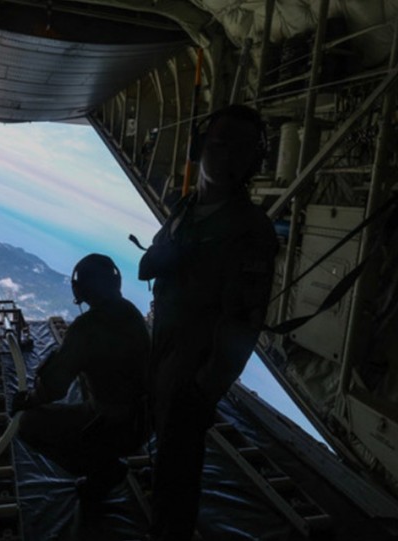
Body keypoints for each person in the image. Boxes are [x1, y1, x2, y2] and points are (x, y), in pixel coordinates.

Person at [138, 104, 278, 540]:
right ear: (200, 149)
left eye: (242, 150)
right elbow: (157, 260)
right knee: (165, 453)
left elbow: (244, 323)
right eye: (221, 145)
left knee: (178, 471)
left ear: (254, 163)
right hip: (164, 346)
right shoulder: (187, 207)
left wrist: (205, 388)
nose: (229, 157)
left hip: (192, 365)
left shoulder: (250, 230)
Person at [12, 253, 151, 500]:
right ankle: (104, 460)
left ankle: (102, 470)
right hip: (145, 424)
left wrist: (28, 400)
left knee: (28, 423)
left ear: (81, 290)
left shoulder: (87, 327)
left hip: (113, 426)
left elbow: (54, 388)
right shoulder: (131, 313)